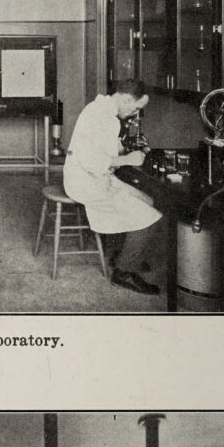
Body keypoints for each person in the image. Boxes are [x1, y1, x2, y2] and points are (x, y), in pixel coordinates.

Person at [63, 78, 164, 295]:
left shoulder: (103, 111)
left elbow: (101, 149)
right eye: (136, 108)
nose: (135, 114)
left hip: (95, 177)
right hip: (85, 182)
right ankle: (123, 273)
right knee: (151, 216)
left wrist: (126, 151)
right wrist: (127, 160)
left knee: (148, 200)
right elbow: (91, 161)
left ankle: (126, 255)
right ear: (127, 99)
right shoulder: (100, 116)